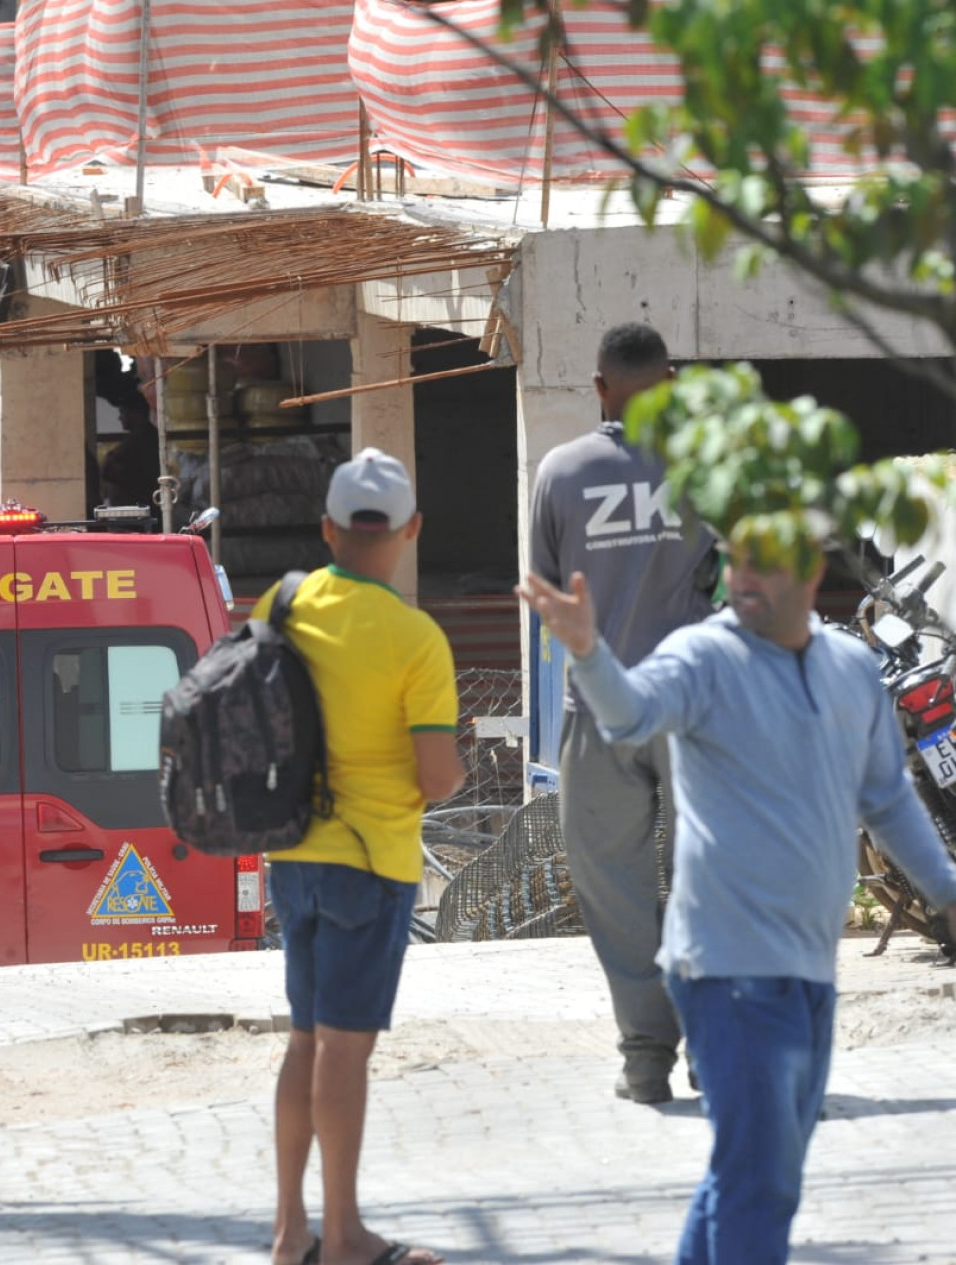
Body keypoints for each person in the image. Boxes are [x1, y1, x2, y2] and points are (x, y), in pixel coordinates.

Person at [519, 544, 956, 1263]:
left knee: (747, 1174)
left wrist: (944, 891)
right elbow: (628, 717)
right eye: (734, 563)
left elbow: (885, 797)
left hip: (808, 973)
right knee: (761, 1181)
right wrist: (587, 650)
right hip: (723, 968)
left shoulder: (849, 669)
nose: (743, 580)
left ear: (811, 571)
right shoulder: (700, 657)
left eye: (764, 563)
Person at [259, 450, 462, 1265]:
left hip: (290, 854)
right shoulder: (416, 638)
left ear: (327, 530)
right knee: (345, 1047)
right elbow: (437, 777)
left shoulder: (285, 602)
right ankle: (342, 1238)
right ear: (410, 530)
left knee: (304, 1040)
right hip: (370, 863)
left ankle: (288, 1233)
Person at [528, 322, 717, 1104]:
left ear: (598, 388)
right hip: (697, 710)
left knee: (614, 887)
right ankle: (712, 1049)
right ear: (669, 381)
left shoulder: (561, 472)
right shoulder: (709, 465)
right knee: (708, 879)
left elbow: (544, 595)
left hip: (598, 710)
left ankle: (645, 1060)